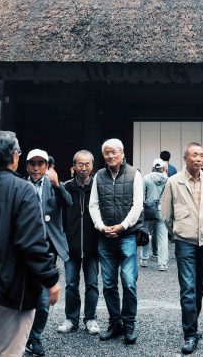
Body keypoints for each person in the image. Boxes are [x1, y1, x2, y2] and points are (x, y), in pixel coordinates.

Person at [0, 131, 60, 357]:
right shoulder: (22, 189)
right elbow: (32, 242)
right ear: (14, 156)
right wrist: (51, 279)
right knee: (9, 351)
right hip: (12, 287)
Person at [161, 142, 203, 355]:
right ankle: (190, 333)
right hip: (184, 239)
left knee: (200, 286)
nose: (198, 159)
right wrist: (178, 229)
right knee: (188, 288)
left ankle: (192, 321)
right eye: (194, 155)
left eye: (201, 155)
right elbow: (166, 214)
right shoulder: (174, 182)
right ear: (185, 158)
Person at [89, 138, 144, 345]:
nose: (110, 156)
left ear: (122, 153)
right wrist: (101, 227)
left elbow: (138, 205)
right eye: (107, 153)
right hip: (105, 237)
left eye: (114, 152)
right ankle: (115, 323)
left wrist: (123, 226)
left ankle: (129, 324)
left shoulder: (134, 174)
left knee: (129, 282)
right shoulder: (99, 177)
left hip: (127, 236)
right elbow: (93, 205)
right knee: (109, 284)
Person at [24, 149, 72, 357]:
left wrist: (56, 184)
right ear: (26, 166)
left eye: (40, 164)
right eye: (32, 164)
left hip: (47, 250)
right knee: (23, 296)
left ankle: (35, 337)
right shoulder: (20, 186)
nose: (36, 168)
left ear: (47, 166)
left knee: (44, 299)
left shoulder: (53, 186)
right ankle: (20, 337)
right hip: (24, 249)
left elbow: (68, 202)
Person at [57, 150, 101, 336]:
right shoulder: (65, 188)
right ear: (73, 167)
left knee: (92, 284)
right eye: (80, 164)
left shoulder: (98, 187)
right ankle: (71, 319)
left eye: (88, 164)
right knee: (71, 284)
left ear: (92, 166)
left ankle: (90, 319)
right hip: (71, 245)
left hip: (92, 245)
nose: (84, 168)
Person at [141, 158, 171, 271]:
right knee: (163, 238)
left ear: (153, 167)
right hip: (163, 211)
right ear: (163, 168)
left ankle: (144, 260)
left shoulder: (146, 178)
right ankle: (162, 264)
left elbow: (141, 195)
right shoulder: (168, 180)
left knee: (146, 235)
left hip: (149, 211)